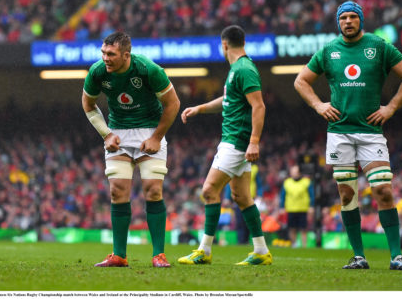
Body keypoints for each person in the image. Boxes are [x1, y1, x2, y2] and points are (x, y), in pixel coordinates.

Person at [294, 1, 402, 271]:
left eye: (353, 17)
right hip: (339, 132)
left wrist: (391, 107)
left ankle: (397, 256)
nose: (348, 22)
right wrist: (318, 105)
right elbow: (300, 80)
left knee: (383, 190)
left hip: (371, 132)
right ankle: (359, 256)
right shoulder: (329, 50)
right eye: (343, 18)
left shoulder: (379, 46)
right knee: (346, 194)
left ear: (360, 20)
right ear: (338, 22)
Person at [81, 31, 180, 268]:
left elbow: (173, 103)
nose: (105, 58)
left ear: (126, 55)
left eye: (111, 54)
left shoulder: (148, 69)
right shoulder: (97, 71)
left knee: (153, 190)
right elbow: (88, 104)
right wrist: (106, 134)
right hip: (118, 131)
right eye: (103, 52)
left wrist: (157, 137)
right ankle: (119, 255)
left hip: (149, 130)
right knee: (117, 191)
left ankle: (159, 255)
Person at [178, 25, 273, 266]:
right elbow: (230, 100)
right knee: (242, 196)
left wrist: (253, 141)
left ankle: (204, 250)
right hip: (237, 141)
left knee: (209, 190)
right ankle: (261, 250)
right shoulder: (238, 70)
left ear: (224, 44)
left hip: (236, 142)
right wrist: (200, 108)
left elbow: (259, 106)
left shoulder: (244, 69)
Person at [280, 165, 313, 248]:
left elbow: (312, 195)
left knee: (303, 229)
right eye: (292, 172)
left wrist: (311, 206)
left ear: (299, 172)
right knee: (292, 228)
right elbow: (282, 196)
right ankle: (294, 244)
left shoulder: (306, 182)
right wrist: (282, 207)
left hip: (303, 209)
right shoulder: (287, 182)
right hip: (291, 209)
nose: (294, 173)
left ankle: (304, 246)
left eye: (295, 172)